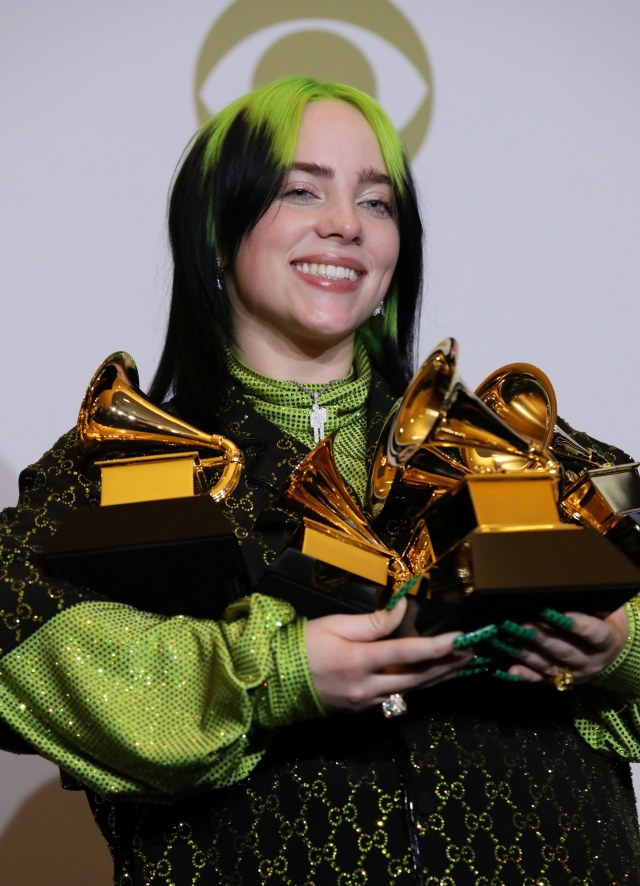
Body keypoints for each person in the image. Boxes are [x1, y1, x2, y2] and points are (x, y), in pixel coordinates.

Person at [0, 76, 639, 884]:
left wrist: (620, 651)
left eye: (377, 204)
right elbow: (21, 646)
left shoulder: (523, 449)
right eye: (301, 190)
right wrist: (281, 675)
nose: (345, 225)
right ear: (214, 232)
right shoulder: (108, 471)